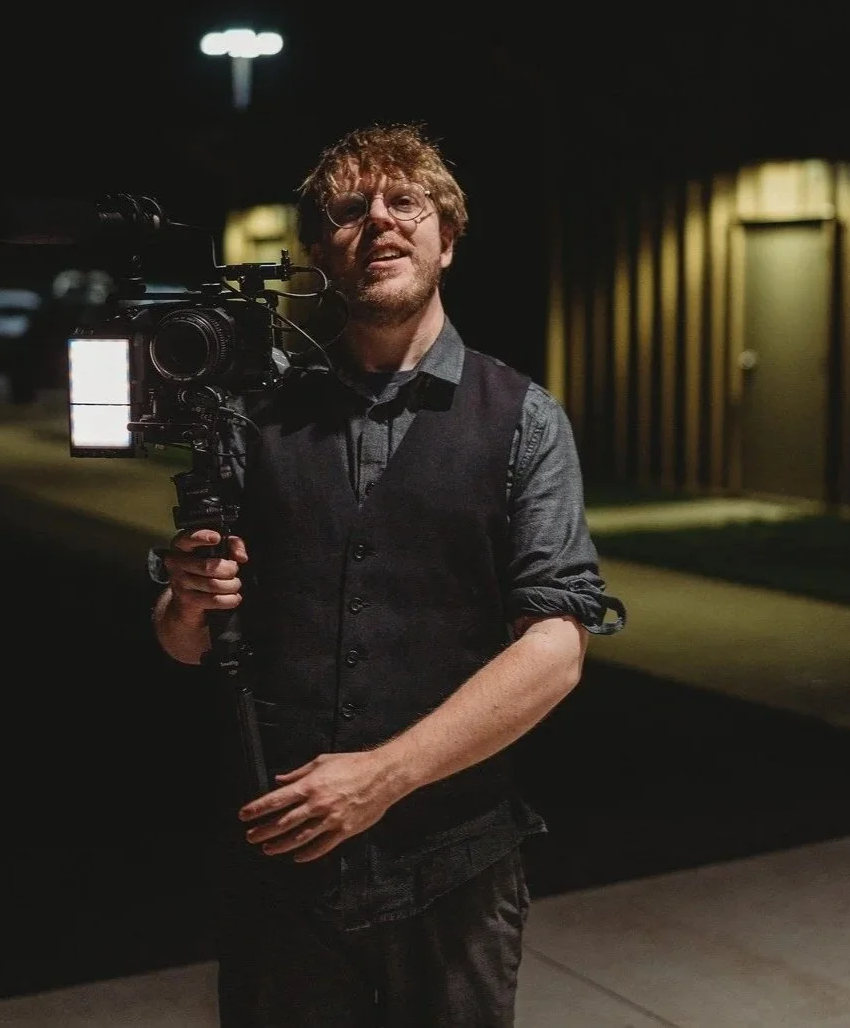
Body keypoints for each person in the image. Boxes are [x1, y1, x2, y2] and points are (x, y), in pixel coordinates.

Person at [150, 121, 625, 1027]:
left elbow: (556, 650)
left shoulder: (522, 417)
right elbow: (182, 640)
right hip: (279, 876)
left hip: (453, 868)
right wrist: (187, 599)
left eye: (404, 201)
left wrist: (383, 775)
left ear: (447, 237)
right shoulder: (255, 418)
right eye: (347, 209)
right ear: (318, 249)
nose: (378, 222)